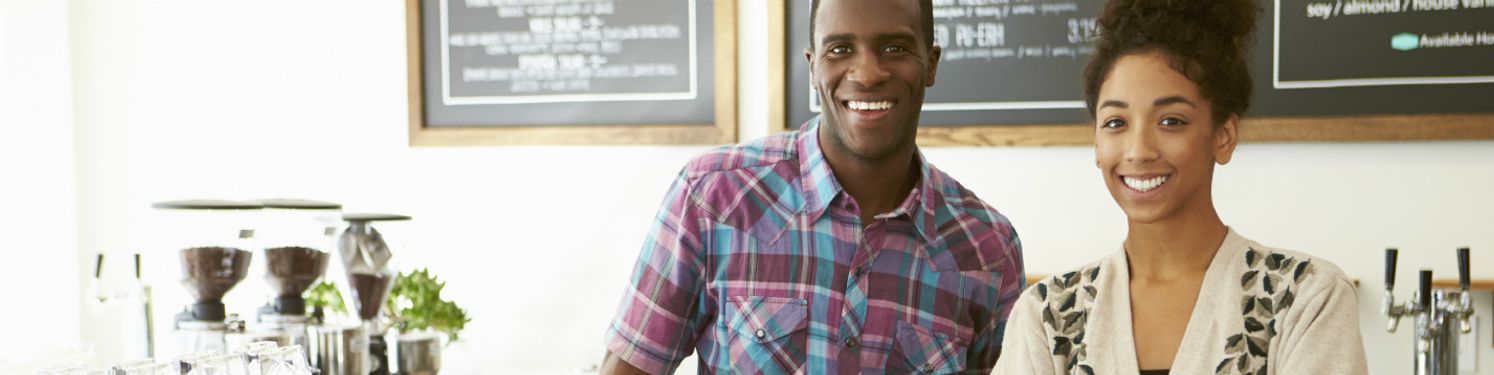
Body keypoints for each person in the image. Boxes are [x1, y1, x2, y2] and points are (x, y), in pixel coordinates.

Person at [600, 0, 1026, 373]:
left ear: (931, 64)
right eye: (840, 49)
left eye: (895, 48)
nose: (868, 73)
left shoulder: (988, 248)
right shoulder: (712, 196)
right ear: (813, 66)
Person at [991, 0, 1367, 373]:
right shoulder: (1048, 314)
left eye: (1171, 121)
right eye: (1116, 123)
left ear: (1223, 136)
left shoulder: (1304, 297)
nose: (1139, 151)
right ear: (1096, 144)